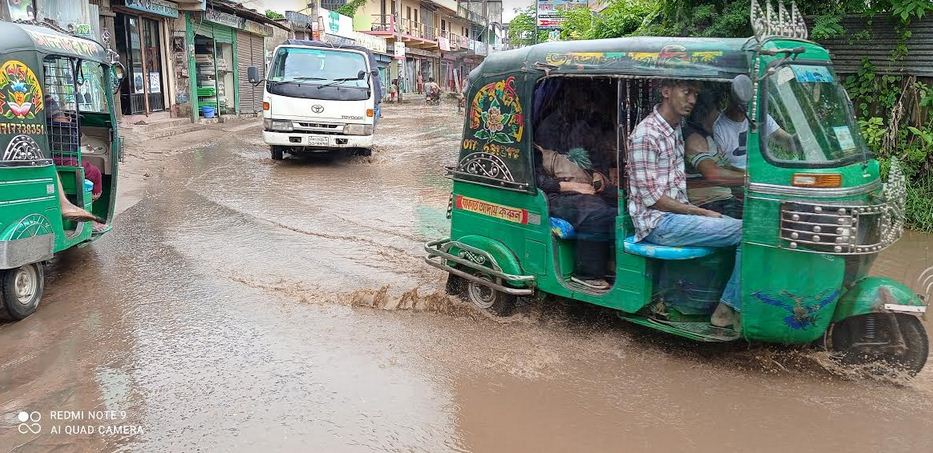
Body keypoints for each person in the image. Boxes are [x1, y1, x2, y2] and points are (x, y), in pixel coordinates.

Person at [627, 79, 742, 329]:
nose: (692, 100)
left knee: (749, 226)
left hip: (677, 217)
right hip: (658, 224)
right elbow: (653, 198)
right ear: (666, 92)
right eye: (686, 92)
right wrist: (700, 212)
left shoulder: (675, 129)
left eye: (695, 94)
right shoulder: (647, 135)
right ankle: (728, 308)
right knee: (749, 234)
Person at [535, 143, 617, 290]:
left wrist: (597, 175)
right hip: (549, 196)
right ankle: (587, 273)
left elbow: (585, 159)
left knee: (618, 204)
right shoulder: (528, 139)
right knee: (596, 212)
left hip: (578, 187)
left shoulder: (576, 127)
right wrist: (573, 186)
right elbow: (532, 179)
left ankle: (611, 263)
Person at [44, 94, 106, 227]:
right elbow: (59, 121)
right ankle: (77, 206)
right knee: (94, 172)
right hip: (56, 157)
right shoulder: (41, 96)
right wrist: (66, 119)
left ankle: (68, 205)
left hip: (40, 155)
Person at [684, 89, 745, 218]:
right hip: (712, 204)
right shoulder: (695, 139)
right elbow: (713, 174)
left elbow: (725, 168)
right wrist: (751, 179)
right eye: (719, 109)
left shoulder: (708, 136)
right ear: (709, 111)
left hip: (724, 201)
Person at [715, 95, 796, 170]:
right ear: (730, 98)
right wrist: (750, 174)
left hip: (765, 171)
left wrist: (802, 142)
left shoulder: (759, 117)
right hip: (738, 179)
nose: (741, 110)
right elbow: (720, 167)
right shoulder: (718, 128)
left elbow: (785, 140)